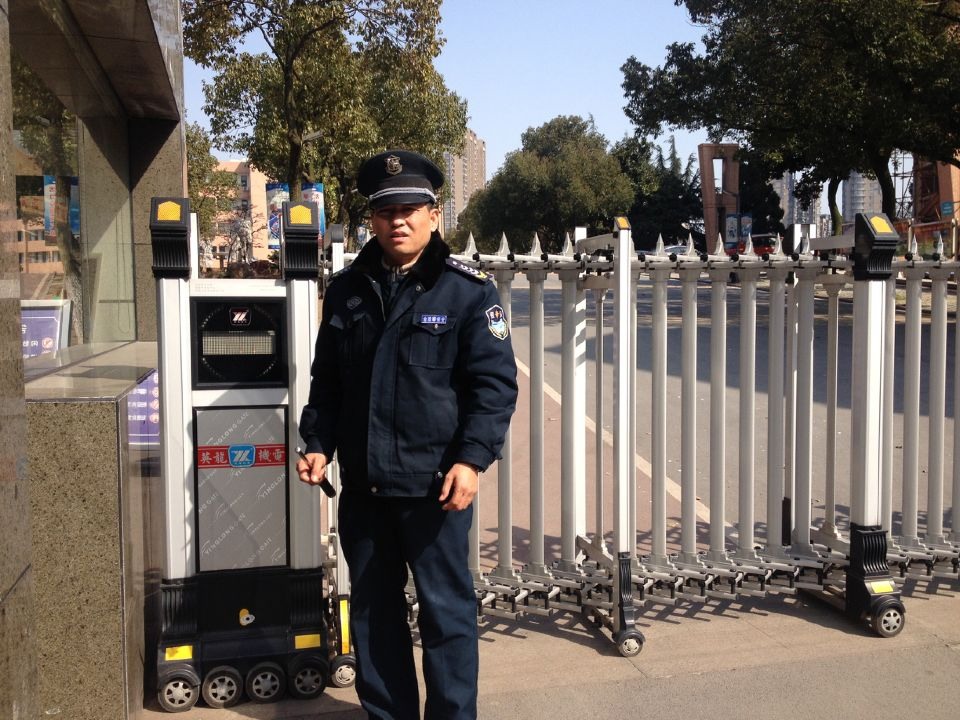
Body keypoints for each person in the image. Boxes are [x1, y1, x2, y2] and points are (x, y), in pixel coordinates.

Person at [297, 149, 518, 719]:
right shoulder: (347, 290)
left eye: (410, 209)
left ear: (434, 214)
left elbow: (494, 386)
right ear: (372, 219)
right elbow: (328, 380)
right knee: (374, 616)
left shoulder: (467, 292)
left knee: (447, 615)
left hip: (435, 489)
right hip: (366, 488)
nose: (398, 221)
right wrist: (317, 442)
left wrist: (471, 460)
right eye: (386, 211)